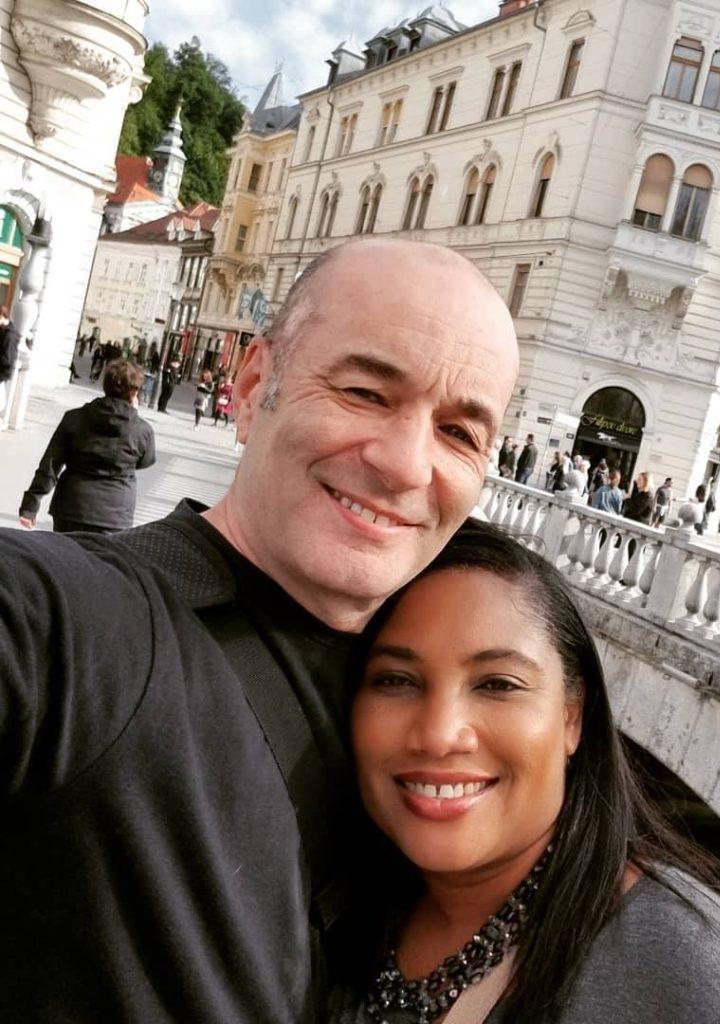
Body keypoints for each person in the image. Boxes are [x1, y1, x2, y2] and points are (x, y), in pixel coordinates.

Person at [0, 238, 520, 1023]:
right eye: (365, 393)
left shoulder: (445, 716)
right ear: (252, 386)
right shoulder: (91, 625)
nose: (409, 465)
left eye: (459, 433)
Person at [331, 523, 720, 1024]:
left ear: (572, 716)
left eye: (498, 684)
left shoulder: (682, 967)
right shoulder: (330, 890)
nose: (439, 734)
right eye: (395, 680)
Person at [18, 359, 156, 533]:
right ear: (134, 392)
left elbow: (51, 464)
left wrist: (31, 504)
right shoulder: (142, 430)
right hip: (114, 515)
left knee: (63, 557)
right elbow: (146, 461)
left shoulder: (74, 418)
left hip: (71, 506)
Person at [0, 304, 20, 409]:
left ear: (2, 316)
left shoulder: (9, 335)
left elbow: (7, 358)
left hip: (2, 371)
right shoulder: (4, 330)